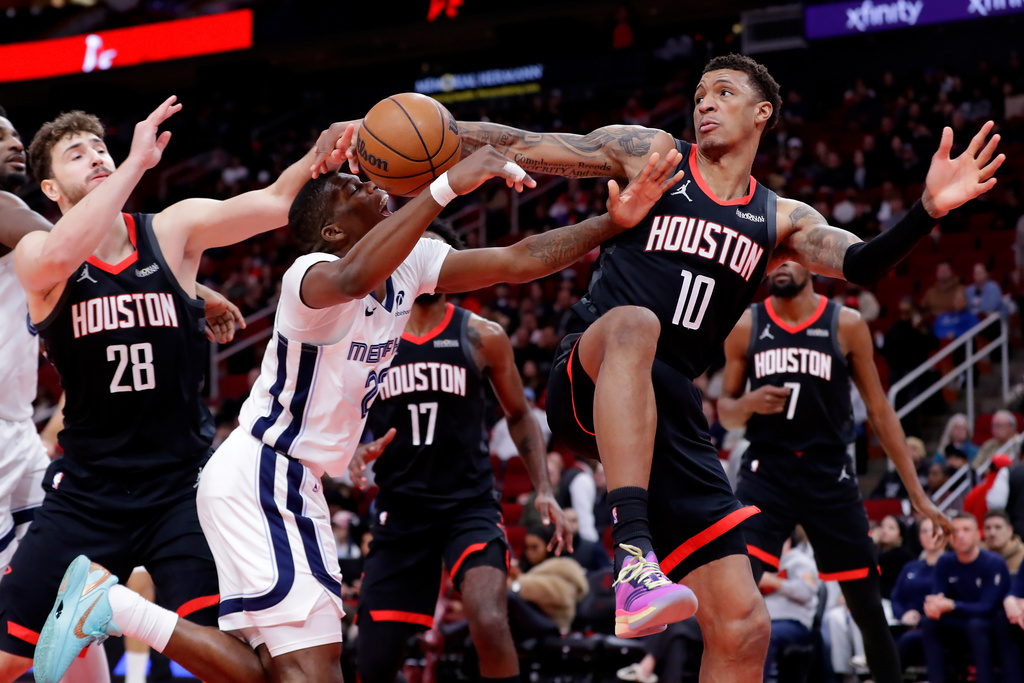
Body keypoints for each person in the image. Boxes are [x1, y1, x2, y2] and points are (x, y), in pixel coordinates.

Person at [325, 54, 1001, 670]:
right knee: (636, 324)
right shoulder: (653, 154)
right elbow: (526, 142)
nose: (705, 103)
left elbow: (861, 262)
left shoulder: (781, 219)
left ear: (762, 114)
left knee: (743, 624)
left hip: (669, 414)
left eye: (725, 93)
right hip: (589, 370)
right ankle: (634, 556)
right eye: (701, 93)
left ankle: (647, 556)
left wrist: (928, 209)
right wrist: (423, 126)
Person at [36, 130, 689, 682]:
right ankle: (114, 604)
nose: (367, 182)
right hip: (264, 473)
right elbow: (354, 277)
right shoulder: (308, 276)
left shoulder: (414, 263)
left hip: (294, 483)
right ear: (330, 229)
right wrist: (446, 186)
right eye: (351, 188)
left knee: (290, 672)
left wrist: (613, 223)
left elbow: (517, 259)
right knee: (313, 672)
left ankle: (116, 604)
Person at [0, 98, 251, 683]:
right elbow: (75, 249)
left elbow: (100, 251)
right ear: (48, 184)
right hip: (20, 442)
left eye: (17, 135)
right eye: (2, 138)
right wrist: (187, 285)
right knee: (29, 634)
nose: (13, 144)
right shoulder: (11, 212)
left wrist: (181, 286)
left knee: (61, 615)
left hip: (20, 434)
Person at [348, 223, 570, 683]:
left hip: (466, 505)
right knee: (374, 660)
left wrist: (544, 488)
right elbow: (337, 408)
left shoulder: (482, 336)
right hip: (401, 510)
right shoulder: (370, 335)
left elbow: (519, 413)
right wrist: (351, 449)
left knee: (489, 619)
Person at [717, 259, 949, 683]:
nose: (779, 266)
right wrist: (747, 404)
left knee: (867, 612)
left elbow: (879, 411)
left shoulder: (846, 323)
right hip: (766, 473)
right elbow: (726, 412)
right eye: (773, 258)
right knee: (734, 603)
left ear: (811, 265)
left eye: (790, 257)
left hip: (829, 475)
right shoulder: (745, 326)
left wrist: (917, 493)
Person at [921, 512, 1011, 683]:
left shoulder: (993, 563)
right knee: (929, 622)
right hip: (958, 619)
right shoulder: (944, 562)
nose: (960, 535)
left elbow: (988, 606)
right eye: (955, 531)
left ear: (978, 534)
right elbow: (938, 595)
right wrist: (932, 605)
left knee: (976, 625)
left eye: (966, 530)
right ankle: (936, 679)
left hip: (989, 622)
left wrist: (953, 605)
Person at [759, 527, 818, 683]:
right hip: (765, 620)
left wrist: (775, 582)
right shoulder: (764, 563)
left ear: (787, 541)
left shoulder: (800, 561)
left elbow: (806, 592)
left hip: (795, 623)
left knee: (765, 634)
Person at [890, 517, 947, 674]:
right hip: (904, 623)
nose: (929, 535)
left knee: (908, 640)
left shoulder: (950, 565)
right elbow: (896, 597)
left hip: (932, 626)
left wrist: (920, 619)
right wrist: (904, 614)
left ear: (944, 535)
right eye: (924, 531)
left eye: (933, 531)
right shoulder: (911, 567)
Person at [984, 509, 1024, 575]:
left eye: (998, 527)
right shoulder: (978, 556)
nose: (992, 533)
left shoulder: (1022, 555)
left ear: (1010, 530)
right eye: (988, 528)